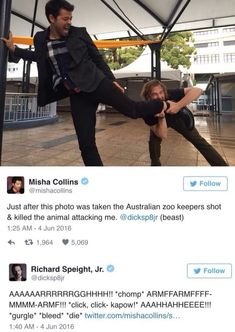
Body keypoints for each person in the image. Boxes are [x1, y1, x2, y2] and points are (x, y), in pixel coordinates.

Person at [2, 0, 172, 166]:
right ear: (52, 18)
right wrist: (14, 49)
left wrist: (112, 80)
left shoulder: (79, 33)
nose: (69, 22)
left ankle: (162, 105)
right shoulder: (40, 39)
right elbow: (38, 58)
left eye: (71, 18)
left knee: (133, 110)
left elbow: (97, 58)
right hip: (76, 94)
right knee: (86, 144)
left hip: (97, 83)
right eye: (65, 19)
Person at [141, 80, 228, 166]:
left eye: (161, 92)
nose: (160, 96)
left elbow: (198, 90)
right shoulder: (146, 110)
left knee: (199, 141)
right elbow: (163, 135)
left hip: (178, 118)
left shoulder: (169, 94)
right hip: (158, 122)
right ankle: (155, 165)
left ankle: (222, 167)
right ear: (148, 97)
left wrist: (178, 106)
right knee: (153, 143)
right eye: (154, 94)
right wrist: (161, 117)